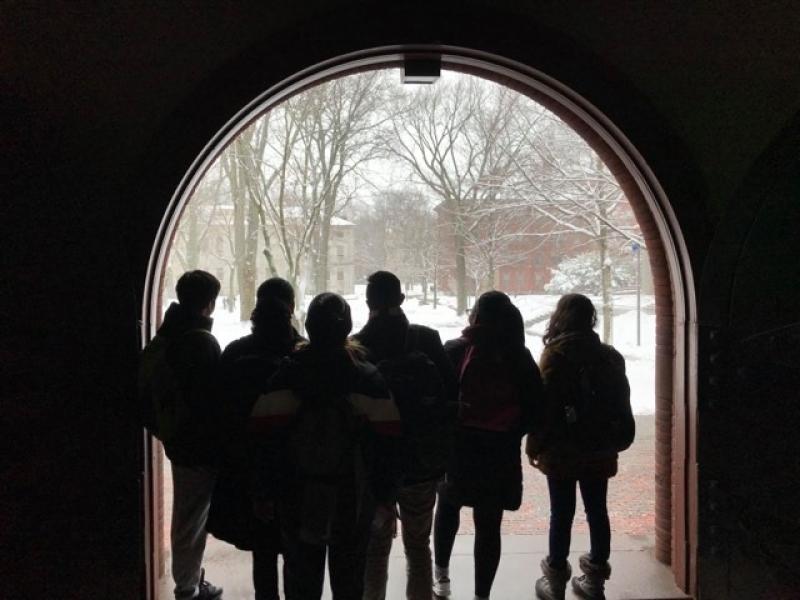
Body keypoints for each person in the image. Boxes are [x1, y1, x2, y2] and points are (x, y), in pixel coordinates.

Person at [248, 292, 402, 600]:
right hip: (353, 498)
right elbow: (388, 446)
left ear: (309, 326)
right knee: (349, 582)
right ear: (347, 327)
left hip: (297, 497)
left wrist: (264, 493)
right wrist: (386, 497)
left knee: (301, 582)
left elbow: (263, 442)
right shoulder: (368, 378)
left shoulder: (285, 375)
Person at [432, 291, 544, 600]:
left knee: (447, 509)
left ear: (476, 316)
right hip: (500, 451)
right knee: (489, 525)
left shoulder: (455, 350)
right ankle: (482, 594)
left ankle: (441, 577)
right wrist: (512, 432)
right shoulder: (518, 355)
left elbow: (439, 398)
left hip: (460, 447)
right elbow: (536, 407)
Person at [355, 271, 457, 600]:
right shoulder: (426, 339)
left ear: (368, 302)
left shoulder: (358, 346)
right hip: (421, 464)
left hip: (375, 468)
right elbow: (450, 397)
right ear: (401, 300)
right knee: (418, 548)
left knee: (375, 552)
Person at [527, 293, 634, 600]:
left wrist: (534, 446)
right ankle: (595, 580)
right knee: (597, 509)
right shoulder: (610, 357)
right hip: (600, 447)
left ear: (560, 318)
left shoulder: (555, 355)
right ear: (591, 319)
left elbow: (544, 409)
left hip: (562, 450)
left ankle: (556, 581)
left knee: (561, 512)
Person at [211, 278, 304, 600]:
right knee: (297, 552)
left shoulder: (235, 354)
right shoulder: (304, 354)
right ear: (290, 308)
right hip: (298, 471)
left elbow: (219, 416)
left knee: (263, 552)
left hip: (248, 470)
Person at [138, 270, 224, 600]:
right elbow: (211, 400)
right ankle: (187, 588)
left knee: (188, 516)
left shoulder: (167, 336)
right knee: (191, 519)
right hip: (197, 445)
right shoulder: (199, 342)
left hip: (179, 439)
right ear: (210, 304)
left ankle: (189, 581)